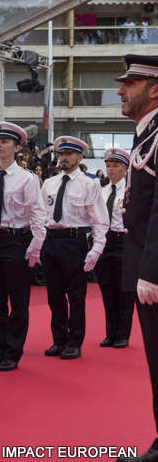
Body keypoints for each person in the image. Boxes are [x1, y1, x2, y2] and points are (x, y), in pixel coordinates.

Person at [111, 55, 158, 462]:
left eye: (130, 83)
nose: (121, 90)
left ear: (155, 89)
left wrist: (152, 271)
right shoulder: (145, 137)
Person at [0, 122, 46, 371]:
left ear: (17, 147)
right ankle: (0, 348)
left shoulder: (26, 178)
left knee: (17, 301)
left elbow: (37, 214)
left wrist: (36, 245)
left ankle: (13, 351)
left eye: (5, 142)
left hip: (14, 240)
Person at [40, 136, 108, 360]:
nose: (64, 158)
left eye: (69, 154)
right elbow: (42, 215)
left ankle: (74, 341)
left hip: (74, 241)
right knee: (54, 295)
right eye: (61, 154)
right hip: (51, 241)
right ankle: (58, 340)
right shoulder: (50, 183)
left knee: (76, 296)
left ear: (79, 157)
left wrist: (96, 249)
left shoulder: (90, 184)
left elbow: (99, 220)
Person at [96, 148, 134, 349]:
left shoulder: (130, 191)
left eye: (115, 166)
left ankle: (122, 334)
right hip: (104, 243)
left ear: (125, 169)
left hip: (124, 243)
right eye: (108, 166)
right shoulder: (101, 191)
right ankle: (110, 332)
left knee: (124, 292)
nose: (111, 170)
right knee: (108, 291)